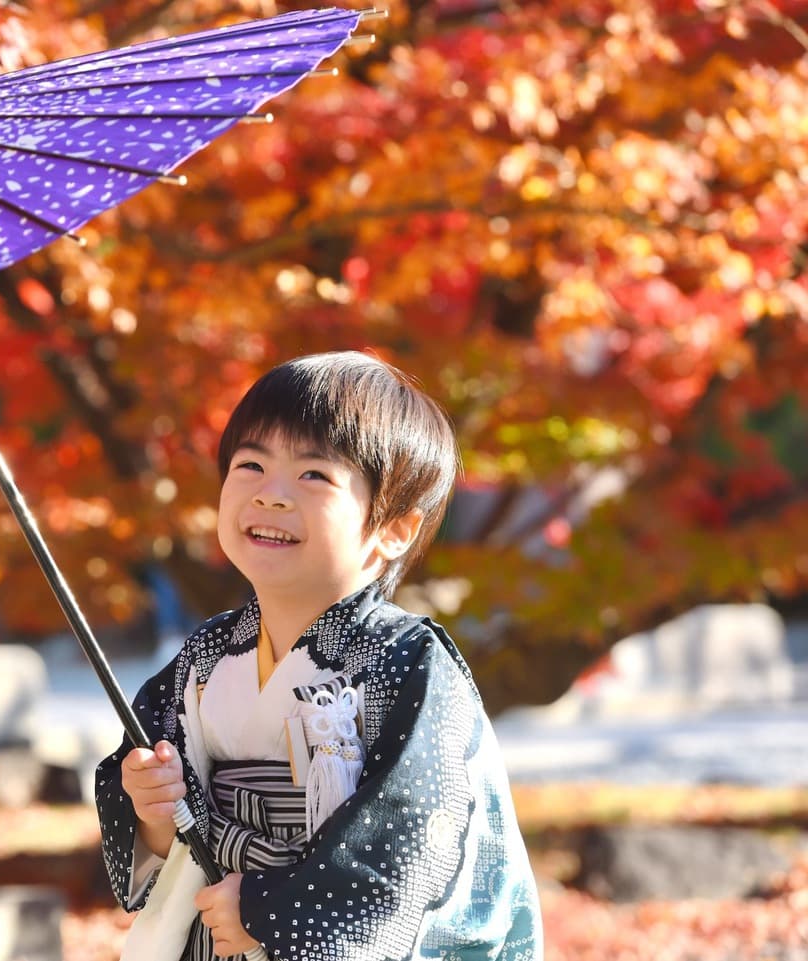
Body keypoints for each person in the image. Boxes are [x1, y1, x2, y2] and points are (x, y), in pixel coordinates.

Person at [95, 352, 543, 961]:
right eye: (250, 464)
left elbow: (410, 829)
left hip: (299, 933)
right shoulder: (206, 656)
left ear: (393, 529)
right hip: (213, 931)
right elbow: (152, 818)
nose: (271, 495)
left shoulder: (404, 660)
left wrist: (266, 911)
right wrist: (150, 805)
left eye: (314, 475)